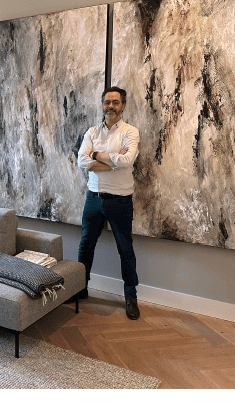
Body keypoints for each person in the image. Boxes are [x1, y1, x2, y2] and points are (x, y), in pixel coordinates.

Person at [76, 86, 141, 320]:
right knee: (86, 245)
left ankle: (131, 297)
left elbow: (127, 160)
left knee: (125, 249)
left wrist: (96, 155)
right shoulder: (92, 132)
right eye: (107, 102)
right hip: (93, 198)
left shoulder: (130, 132)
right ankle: (80, 288)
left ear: (123, 105)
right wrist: (112, 163)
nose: (110, 106)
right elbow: (81, 161)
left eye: (115, 102)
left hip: (120, 199)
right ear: (102, 105)